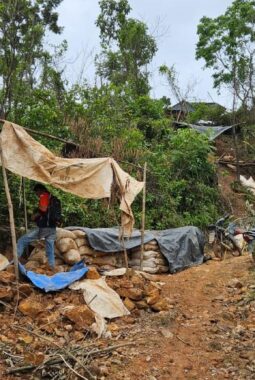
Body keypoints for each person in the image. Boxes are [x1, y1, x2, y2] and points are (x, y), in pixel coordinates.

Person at [17, 183, 61, 269]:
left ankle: (14, 261)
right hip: (52, 227)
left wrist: (35, 215)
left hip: (44, 227)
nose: (37, 195)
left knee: (22, 240)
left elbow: (43, 209)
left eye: (36, 193)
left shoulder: (44, 195)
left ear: (40, 190)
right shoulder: (53, 198)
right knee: (50, 249)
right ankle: (51, 268)